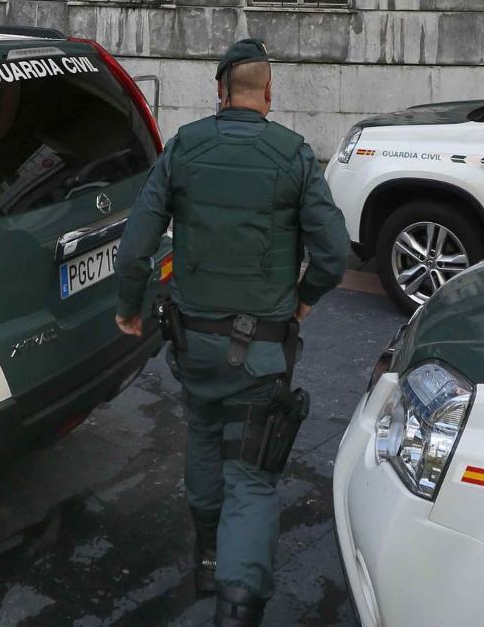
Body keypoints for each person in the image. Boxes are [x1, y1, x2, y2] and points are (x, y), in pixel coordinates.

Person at [113, 39, 349, 626]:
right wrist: (304, 301)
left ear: (220, 92)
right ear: (268, 92)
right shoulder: (293, 155)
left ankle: (209, 556)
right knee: (251, 470)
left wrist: (128, 307)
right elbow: (334, 252)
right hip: (262, 352)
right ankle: (238, 606)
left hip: (194, 345)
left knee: (202, 436)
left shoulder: (185, 148)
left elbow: (136, 246)